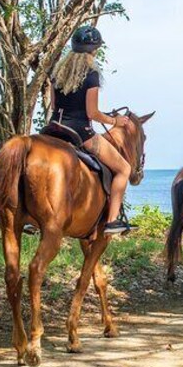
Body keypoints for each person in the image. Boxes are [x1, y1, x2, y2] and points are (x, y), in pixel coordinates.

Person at [49, 25, 135, 234]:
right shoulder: (91, 74)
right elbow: (92, 113)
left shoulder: (57, 73)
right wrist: (116, 122)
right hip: (80, 131)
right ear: (94, 49)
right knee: (124, 169)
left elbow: (53, 105)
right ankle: (112, 221)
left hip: (53, 128)